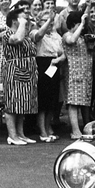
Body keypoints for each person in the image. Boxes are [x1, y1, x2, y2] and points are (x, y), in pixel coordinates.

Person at [2, 5, 39, 145]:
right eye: (24, 18)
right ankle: (12, 135)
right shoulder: (8, 34)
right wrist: (22, 23)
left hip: (27, 71)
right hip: (15, 71)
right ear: (15, 20)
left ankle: (20, 134)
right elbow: (17, 39)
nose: (27, 20)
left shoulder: (26, 34)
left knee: (22, 104)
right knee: (12, 103)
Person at [32, 8, 65, 142]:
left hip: (54, 65)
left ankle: (48, 126)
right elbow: (38, 36)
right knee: (43, 101)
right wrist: (49, 20)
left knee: (52, 100)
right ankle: (42, 131)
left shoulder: (56, 36)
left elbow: (63, 53)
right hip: (42, 64)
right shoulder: (35, 32)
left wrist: (58, 59)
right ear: (39, 21)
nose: (50, 23)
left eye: (51, 20)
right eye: (46, 20)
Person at [64, 10, 93, 139]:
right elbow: (71, 40)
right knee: (73, 103)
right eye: (78, 24)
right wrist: (81, 23)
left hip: (85, 72)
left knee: (83, 102)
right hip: (74, 72)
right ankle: (75, 130)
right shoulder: (67, 35)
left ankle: (82, 129)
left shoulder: (82, 36)